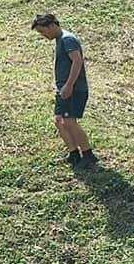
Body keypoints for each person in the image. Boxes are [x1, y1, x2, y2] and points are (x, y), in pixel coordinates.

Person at [31, 13, 98, 170]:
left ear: (52, 26)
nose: (43, 35)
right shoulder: (60, 40)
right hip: (63, 89)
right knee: (59, 120)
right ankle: (74, 154)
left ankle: (88, 155)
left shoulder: (68, 39)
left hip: (73, 89)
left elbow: (77, 61)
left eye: (43, 31)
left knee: (69, 122)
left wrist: (69, 85)